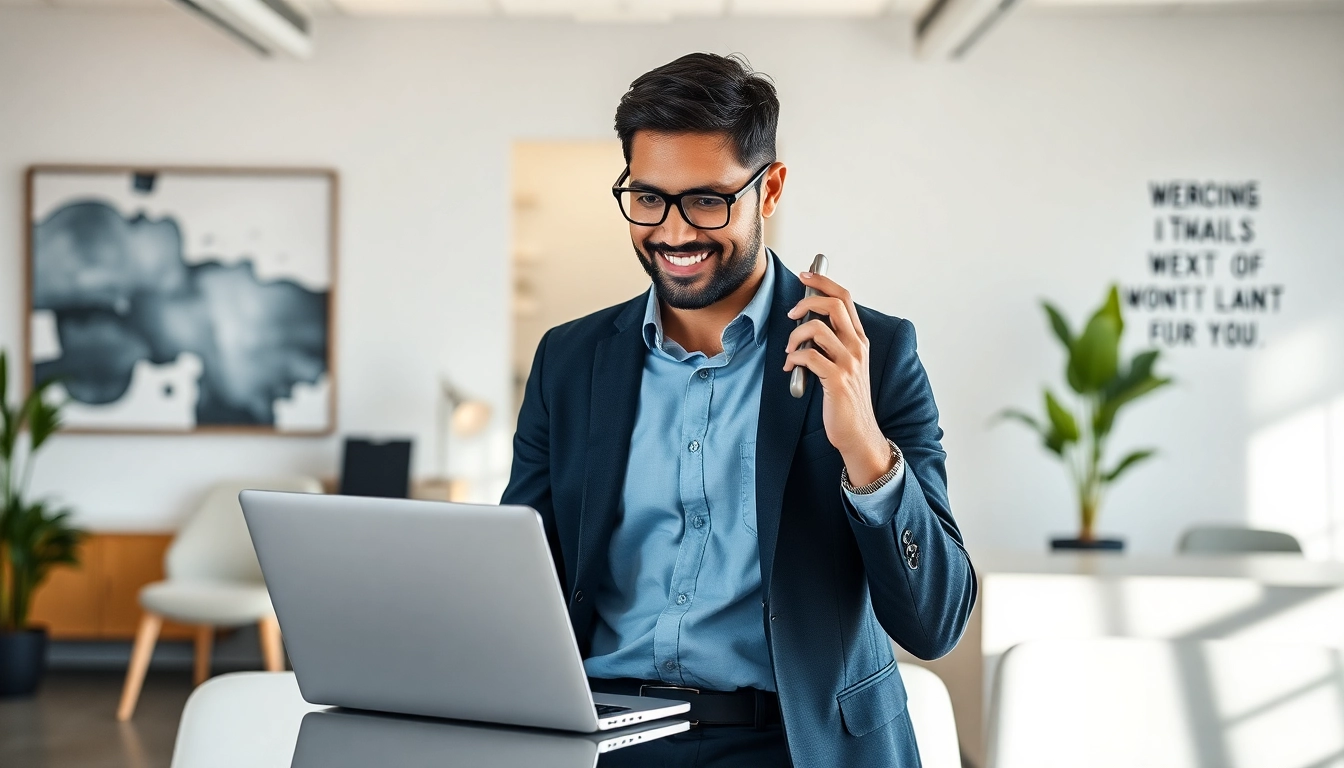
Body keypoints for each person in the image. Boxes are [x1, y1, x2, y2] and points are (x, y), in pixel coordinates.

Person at [502, 52, 976, 768]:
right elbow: (520, 579)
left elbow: (935, 622)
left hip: (792, 744)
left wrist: (867, 452)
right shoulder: (569, 362)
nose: (674, 232)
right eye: (649, 198)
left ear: (771, 188)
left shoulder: (870, 352)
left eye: (706, 200)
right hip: (602, 739)